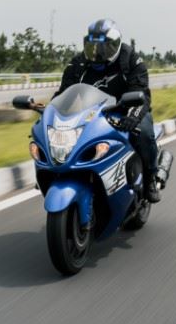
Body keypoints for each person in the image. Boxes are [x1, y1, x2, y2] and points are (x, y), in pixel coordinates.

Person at [52, 18, 160, 203]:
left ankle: (150, 178)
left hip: (128, 109)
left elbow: (140, 92)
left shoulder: (131, 60)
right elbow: (64, 93)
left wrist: (132, 116)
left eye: (104, 48)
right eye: (93, 47)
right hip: (91, 113)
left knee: (144, 133)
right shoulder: (78, 64)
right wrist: (52, 113)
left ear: (115, 44)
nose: (98, 54)